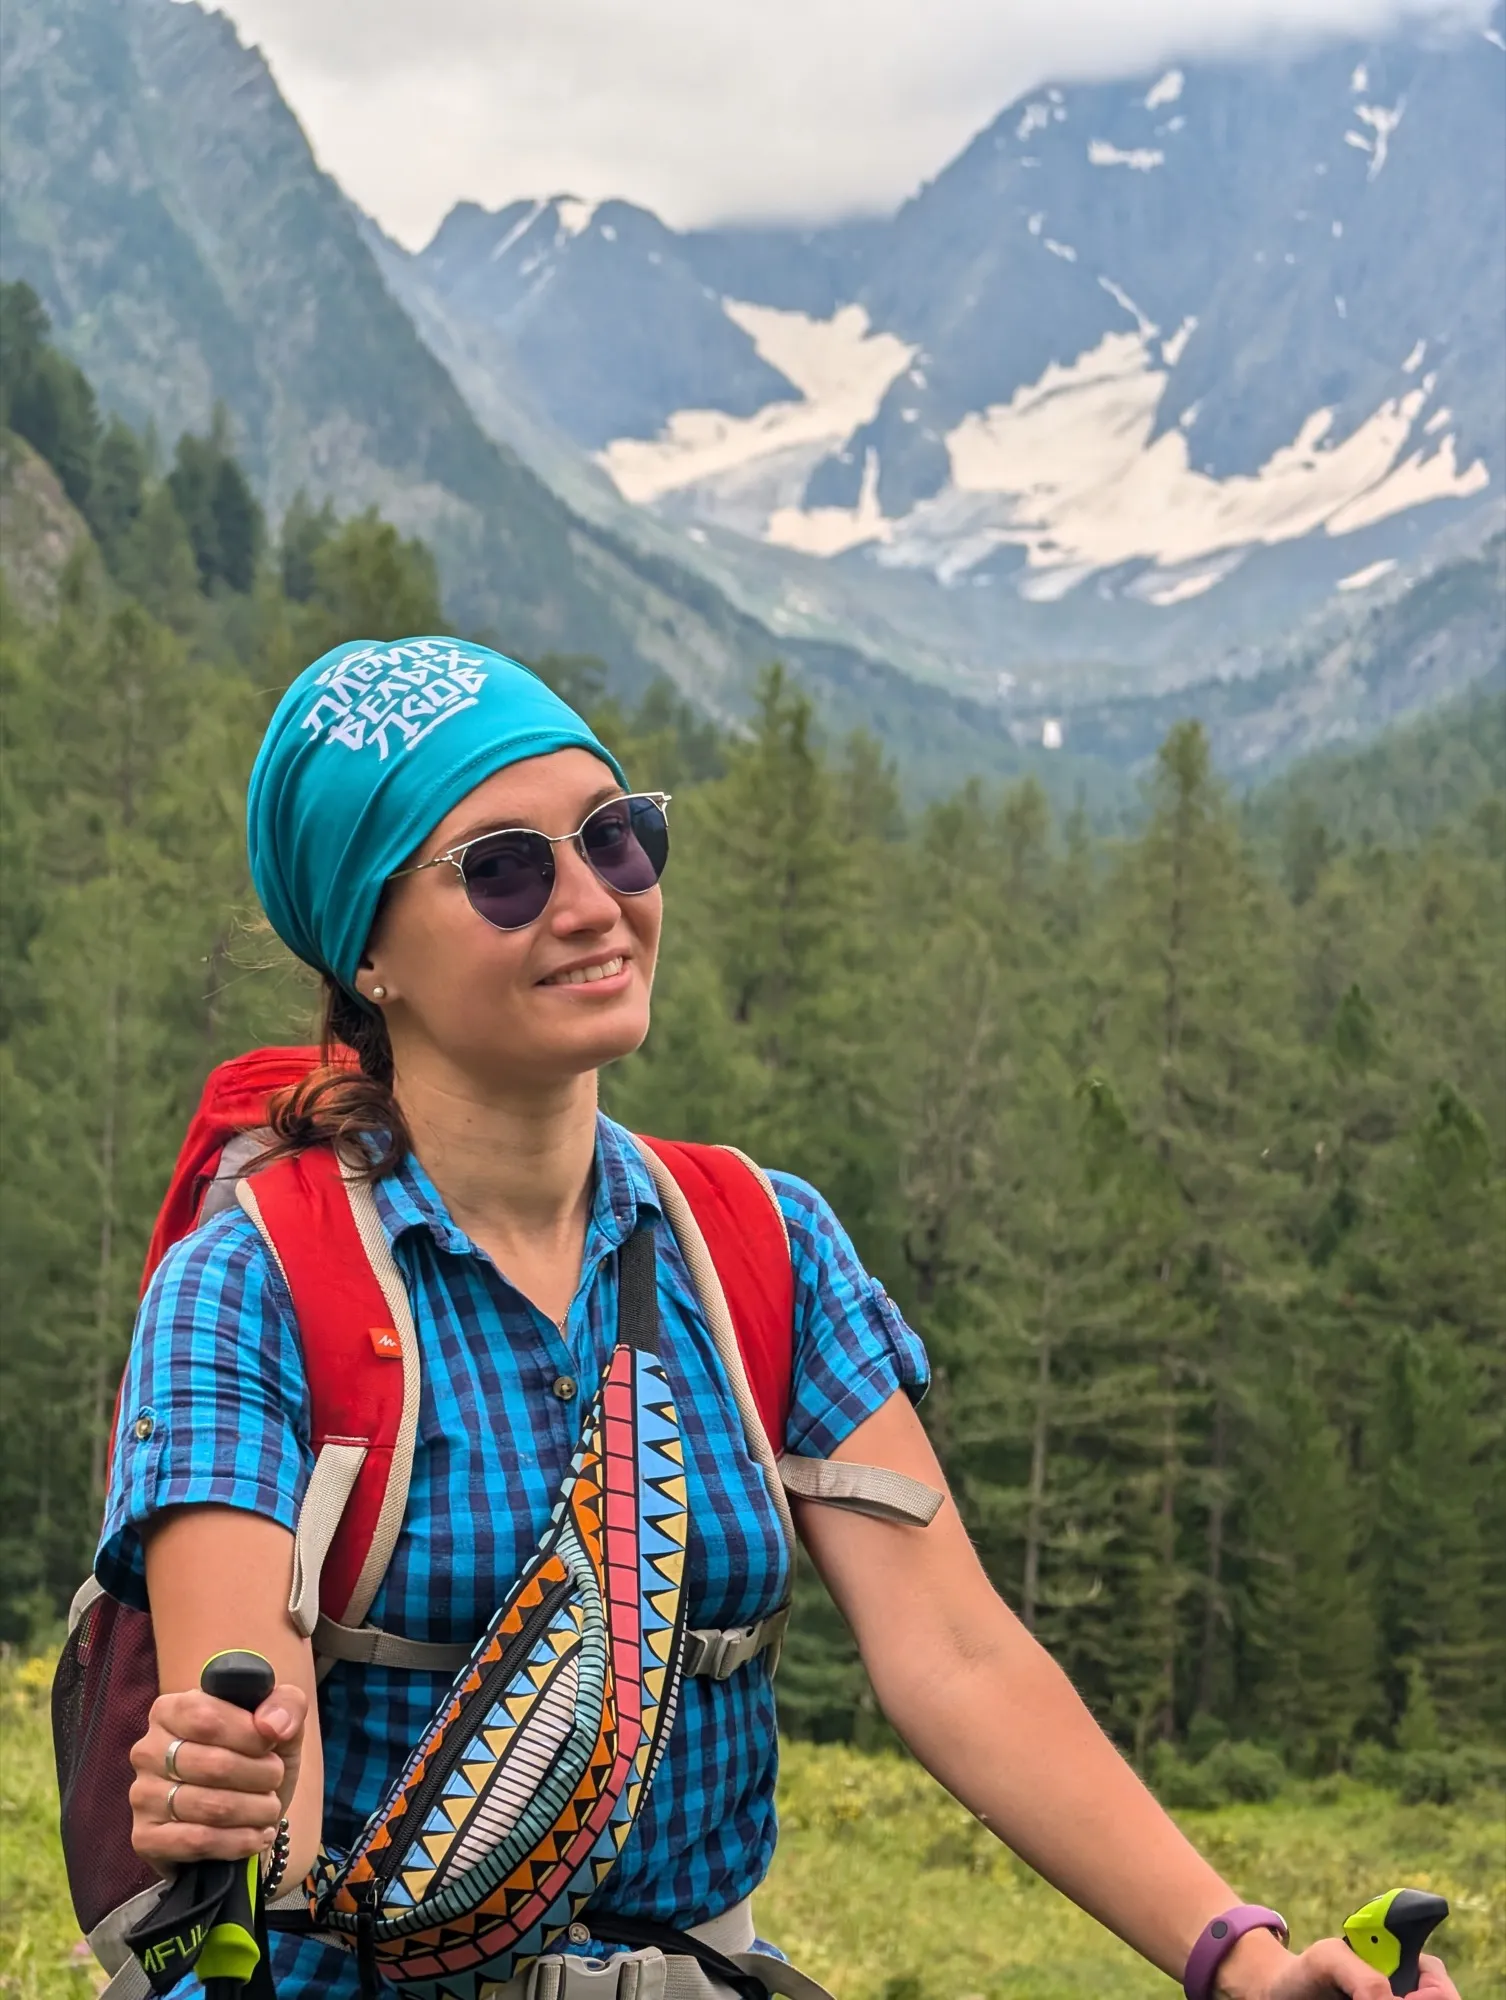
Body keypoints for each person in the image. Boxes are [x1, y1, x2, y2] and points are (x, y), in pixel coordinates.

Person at [106, 638, 1459, 2000]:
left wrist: (1242, 1962)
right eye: (506, 870)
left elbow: (958, 1655)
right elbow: (260, 1771)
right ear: (369, 953)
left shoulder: (764, 1245)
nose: (593, 903)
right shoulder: (252, 1286)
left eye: (617, 838)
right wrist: (220, 1800)